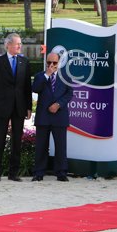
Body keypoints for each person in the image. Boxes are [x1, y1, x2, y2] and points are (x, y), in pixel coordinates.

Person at [0, 33, 32, 182]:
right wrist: (0, 97)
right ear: (8, 45)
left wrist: (29, 107)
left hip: (19, 108)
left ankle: (13, 174)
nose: (20, 46)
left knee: (16, 142)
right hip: (2, 108)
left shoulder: (24, 62)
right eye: (17, 44)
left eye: (20, 43)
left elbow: (27, 87)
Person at [31, 52, 73, 182]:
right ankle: (39, 172)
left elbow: (69, 93)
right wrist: (47, 75)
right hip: (43, 117)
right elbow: (35, 89)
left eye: (54, 63)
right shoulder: (40, 76)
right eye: (49, 62)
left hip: (59, 116)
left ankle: (61, 172)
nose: (51, 65)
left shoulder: (65, 76)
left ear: (59, 63)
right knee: (41, 146)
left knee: (61, 146)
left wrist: (58, 104)